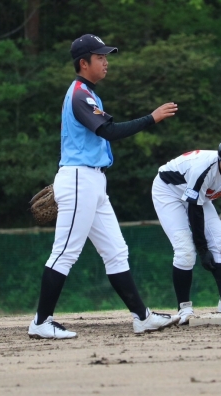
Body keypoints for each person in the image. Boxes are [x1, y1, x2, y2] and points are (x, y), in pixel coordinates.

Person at [28, 34, 179, 339]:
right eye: (100, 57)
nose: (106, 61)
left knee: (116, 251)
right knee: (65, 253)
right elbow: (108, 131)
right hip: (79, 180)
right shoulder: (79, 95)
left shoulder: (88, 94)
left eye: (105, 56)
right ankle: (41, 322)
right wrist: (151, 118)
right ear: (83, 63)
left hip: (93, 181)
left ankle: (142, 317)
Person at [151, 127, 221, 325]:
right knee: (185, 250)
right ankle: (184, 309)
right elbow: (195, 210)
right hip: (169, 191)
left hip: (196, 197)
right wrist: (203, 250)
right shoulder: (204, 168)